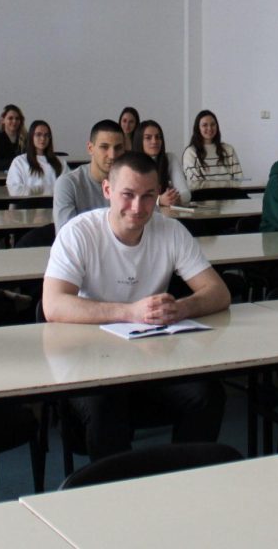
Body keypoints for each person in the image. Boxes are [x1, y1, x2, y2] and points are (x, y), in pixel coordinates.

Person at [43, 152, 231, 460]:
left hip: (152, 355)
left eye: (148, 196)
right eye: (128, 195)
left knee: (206, 395)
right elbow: (53, 305)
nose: (138, 207)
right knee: (106, 408)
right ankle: (116, 486)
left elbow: (218, 292)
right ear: (107, 190)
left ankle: (186, 475)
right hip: (90, 357)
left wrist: (181, 308)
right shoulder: (78, 233)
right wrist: (130, 312)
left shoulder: (170, 231)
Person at [53, 120, 125, 231]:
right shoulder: (68, 184)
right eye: (104, 147)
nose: (112, 155)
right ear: (90, 148)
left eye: (118, 148)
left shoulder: (130, 183)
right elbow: (67, 235)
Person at [182, 110, 243, 187]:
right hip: (203, 194)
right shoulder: (190, 152)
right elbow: (195, 185)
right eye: (205, 125)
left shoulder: (229, 149)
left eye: (213, 124)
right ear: (198, 128)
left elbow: (239, 179)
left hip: (230, 194)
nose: (210, 128)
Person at [136, 120, 190, 205]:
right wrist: (159, 200)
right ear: (139, 141)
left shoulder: (170, 158)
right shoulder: (131, 163)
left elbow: (186, 194)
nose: (154, 141)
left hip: (165, 212)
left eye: (158, 137)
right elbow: (133, 197)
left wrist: (174, 198)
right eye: (148, 138)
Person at [7, 119, 64, 193]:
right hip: (29, 200)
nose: (43, 138)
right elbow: (14, 189)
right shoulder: (19, 162)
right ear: (31, 137)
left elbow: (68, 185)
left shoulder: (60, 162)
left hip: (55, 200)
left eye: (46, 135)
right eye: (38, 134)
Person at [0, 104, 26, 173]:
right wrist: (16, 163)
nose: (14, 121)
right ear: (3, 120)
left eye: (17, 118)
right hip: (0, 177)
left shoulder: (27, 139)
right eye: (10, 118)